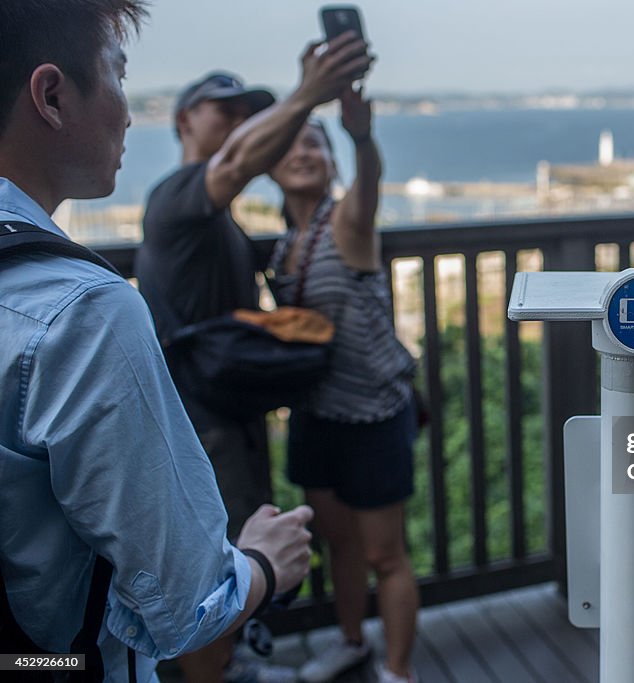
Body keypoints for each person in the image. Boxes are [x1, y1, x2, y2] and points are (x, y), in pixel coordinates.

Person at [0, 1, 314, 680]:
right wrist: (264, 561)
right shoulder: (81, 310)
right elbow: (185, 600)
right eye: (118, 76)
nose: (126, 111)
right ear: (51, 96)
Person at [134, 32, 371, 683]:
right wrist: (309, 96)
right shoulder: (178, 199)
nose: (241, 123)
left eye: (248, 112)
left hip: (225, 421)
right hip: (204, 428)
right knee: (216, 575)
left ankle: (229, 667)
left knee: (232, 560)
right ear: (184, 121)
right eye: (225, 111)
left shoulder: (220, 225)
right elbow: (236, 164)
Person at [266, 86, 421, 683]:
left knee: (386, 554)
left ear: (331, 161)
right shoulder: (285, 245)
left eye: (315, 143)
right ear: (270, 164)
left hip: (373, 416)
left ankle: (399, 670)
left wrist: (360, 136)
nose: (304, 153)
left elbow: (370, 184)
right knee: (339, 549)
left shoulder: (346, 224)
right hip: (315, 416)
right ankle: (352, 641)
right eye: (292, 145)